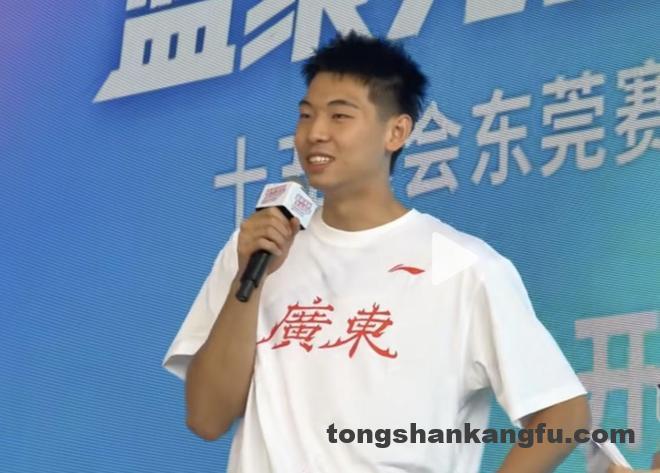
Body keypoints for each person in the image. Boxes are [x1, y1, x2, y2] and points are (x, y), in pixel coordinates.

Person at [163, 32, 590, 472]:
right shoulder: (258, 247)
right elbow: (206, 418)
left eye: (339, 116)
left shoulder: (463, 265)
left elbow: (565, 413)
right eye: (306, 115)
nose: (315, 133)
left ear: (396, 131)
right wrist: (248, 282)